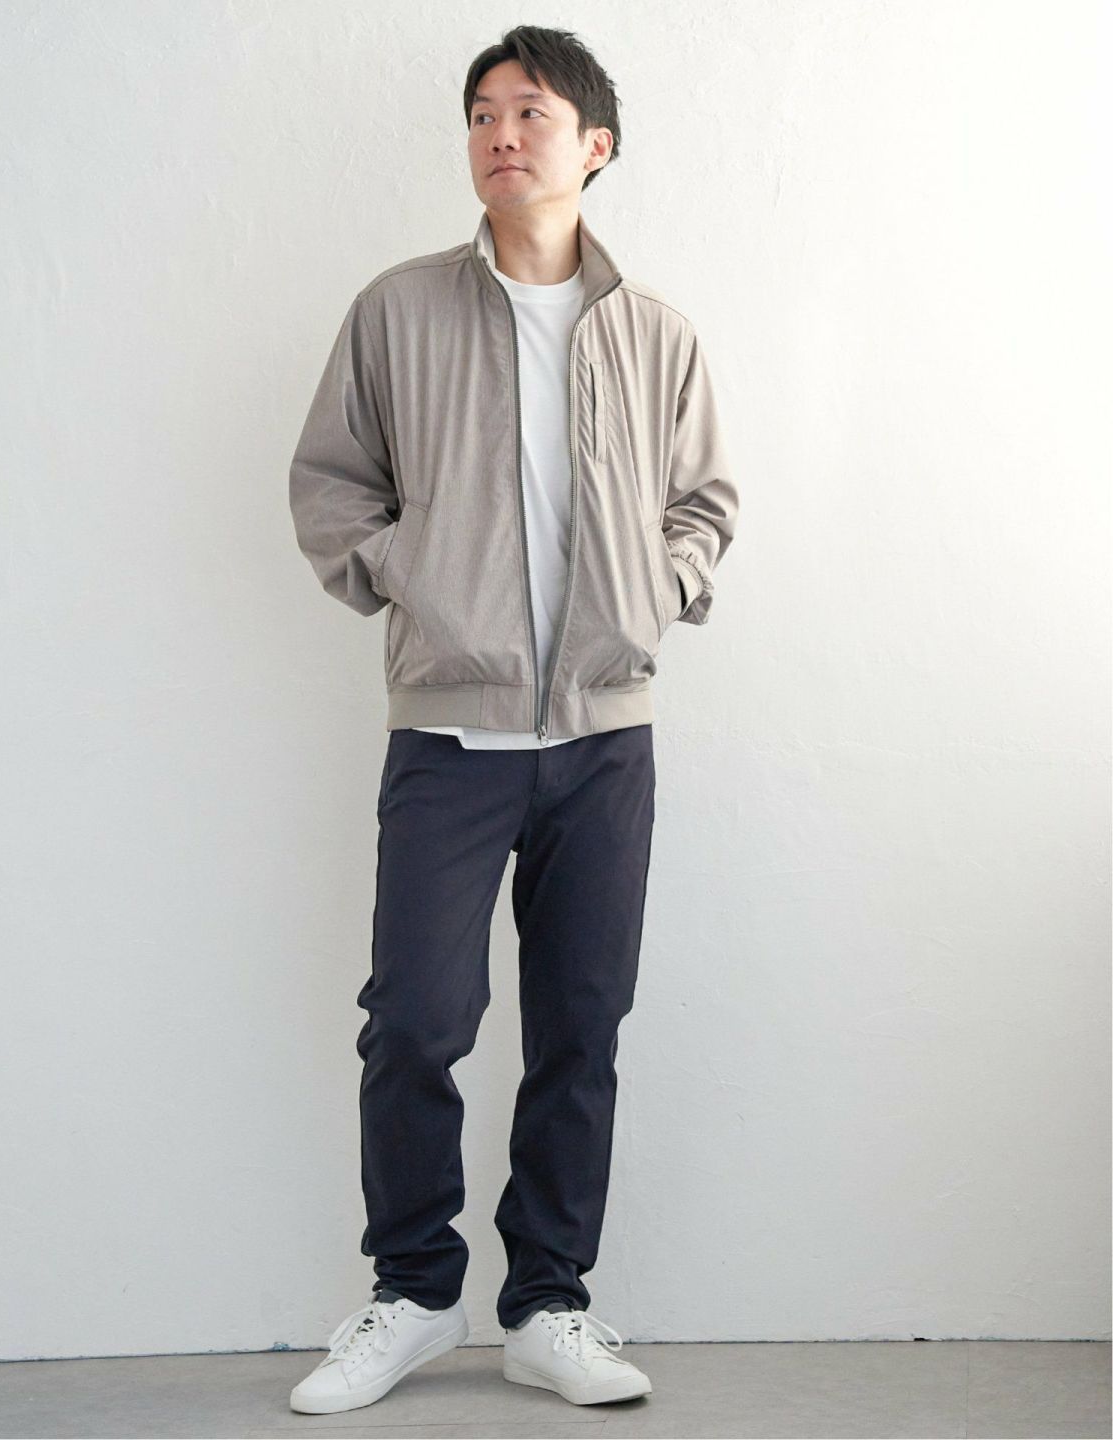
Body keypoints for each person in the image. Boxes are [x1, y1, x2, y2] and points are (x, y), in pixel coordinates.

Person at [286, 24, 738, 1416]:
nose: (500, 133)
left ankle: (549, 1304)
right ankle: (417, 1293)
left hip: (606, 740)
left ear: (594, 145)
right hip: (449, 736)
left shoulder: (655, 332)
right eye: (483, 112)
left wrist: (657, 588)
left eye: (531, 111)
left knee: (580, 1030)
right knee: (415, 1023)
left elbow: (704, 505)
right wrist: (413, 579)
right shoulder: (398, 311)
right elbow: (331, 485)